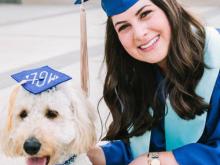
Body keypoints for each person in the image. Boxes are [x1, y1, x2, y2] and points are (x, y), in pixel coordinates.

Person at [83, 0, 220, 165]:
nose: (139, 34)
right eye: (124, 26)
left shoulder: (215, 53)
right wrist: (93, 154)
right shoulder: (138, 73)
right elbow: (138, 146)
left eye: (145, 14)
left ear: (168, 6)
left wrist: (155, 161)